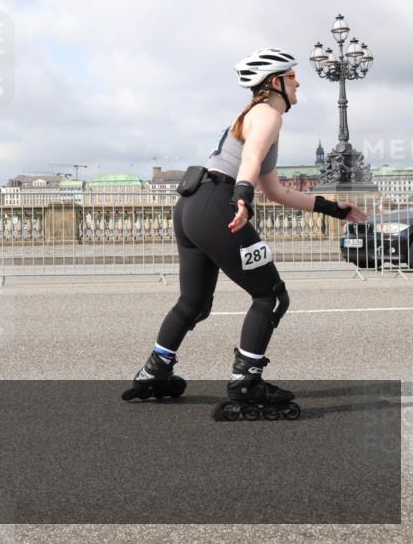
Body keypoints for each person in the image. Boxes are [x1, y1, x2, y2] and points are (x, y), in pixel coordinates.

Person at [121, 47, 369, 418]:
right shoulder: (268, 114)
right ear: (275, 83)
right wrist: (241, 197)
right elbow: (250, 160)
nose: (298, 81)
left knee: (193, 303)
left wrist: (334, 209)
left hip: (191, 207)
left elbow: (278, 191)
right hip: (220, 204)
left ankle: (155, 370)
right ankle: (246, 381)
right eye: (291, 76)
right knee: (271, 296)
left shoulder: (248, 116)